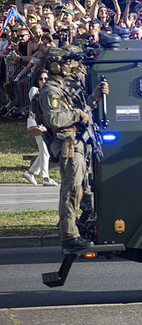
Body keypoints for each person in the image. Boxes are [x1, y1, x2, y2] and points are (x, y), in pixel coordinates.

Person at [39, 49, 93, 250]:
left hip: (76, 142)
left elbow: (80, 109)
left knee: (84, 188)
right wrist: (77, 114)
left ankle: (81, 225)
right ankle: (69, 234)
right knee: (71, 190)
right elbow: (54, 119)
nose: (69, 66)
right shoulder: (50, 91)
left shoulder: (64, 88)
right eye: (66, 63)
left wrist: (94, 97)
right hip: (67, 144)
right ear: (55, 66)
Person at [23, 70, 57, 187]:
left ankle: (30, 172)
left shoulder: (49, 91)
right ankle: (46, 177)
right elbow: (37, 104)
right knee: (45, 151)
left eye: (46, 79)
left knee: (46, 150)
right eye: (41, 79)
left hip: (46, 123)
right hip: (36, 123)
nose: (43, 81)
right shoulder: (34, 90)